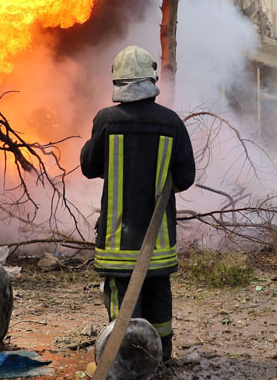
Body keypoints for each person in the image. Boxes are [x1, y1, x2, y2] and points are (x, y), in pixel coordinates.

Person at [80, 45, 196, 361]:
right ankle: (162, 356)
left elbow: (89, 167)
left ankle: (128, 360)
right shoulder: (171, 124)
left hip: (118, 241)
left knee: (122, 301)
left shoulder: (106, 120)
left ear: (117, 82)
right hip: (157, 242)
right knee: (158, 295)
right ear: (152, 80)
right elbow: (185, 178)